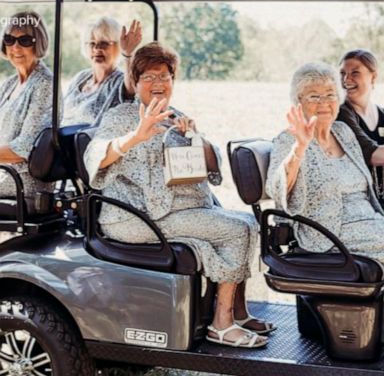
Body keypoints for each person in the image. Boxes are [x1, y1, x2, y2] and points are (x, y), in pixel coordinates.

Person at [84, 42, 274, 348]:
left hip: (175, 210)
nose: (158, 84)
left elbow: (213, 166)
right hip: (134, 216)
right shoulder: (121, 117)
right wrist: (136, 136)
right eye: (149, 77)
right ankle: (221, 325)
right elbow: (94, 156)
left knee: (249, 224)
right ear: (135, 82)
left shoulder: (177, 116)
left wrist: (196, 139)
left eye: (165, 76)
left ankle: (238, 312)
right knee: (237, 231)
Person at [266, 62, 384, 264]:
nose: (324, 102)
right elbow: (276, 188)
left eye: (330, 94)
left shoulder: (343, 132)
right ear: (299, 101)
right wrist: (300, 147)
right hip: (328, 234)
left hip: (373, 223)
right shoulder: (289, 139)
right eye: (314, 96)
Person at [0, 11, 53, 198]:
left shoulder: (45, 84)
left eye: (24, 41)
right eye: (9, 39)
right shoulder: (9, 84)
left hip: (22, 180)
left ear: (38, 43)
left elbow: (24, 148)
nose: (15, 47)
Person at [62, 16, 141, 126]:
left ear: (119, 46)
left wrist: (127, 53)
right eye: (92, 43)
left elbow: (131, 90)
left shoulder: (119, 81)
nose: (97, 48)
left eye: (104, 43)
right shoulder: (80, 78)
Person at [339, 49, 384, 205]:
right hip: (363, 203)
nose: (346, 79)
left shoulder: (381, 113)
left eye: (355, 73)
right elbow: (371, 155)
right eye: (343, 73)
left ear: (373, 77)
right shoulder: (341, 114)